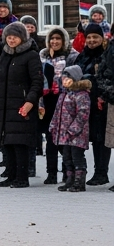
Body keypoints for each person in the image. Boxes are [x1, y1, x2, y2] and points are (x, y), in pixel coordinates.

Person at [0, 21, 43, 188]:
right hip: (3, 106)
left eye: (15, 37)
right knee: (7, 142)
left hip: (21, 105)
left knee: (20, 142)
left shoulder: (31, 56)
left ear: (22, 38)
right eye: (9, 37)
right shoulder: (4, 55)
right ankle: (11, 175)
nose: (11, 40)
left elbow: (37, 82)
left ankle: (22, 177)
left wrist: (30, 101)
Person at [67, 22, 109, 186]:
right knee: (85, 137)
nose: (91, 40)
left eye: (95, 37)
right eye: (89, 37)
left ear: (101, 38)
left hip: (100, 101)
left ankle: (101, 172)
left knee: (100, 139)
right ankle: (79, 172)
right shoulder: (82, 56)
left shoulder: (105, 55)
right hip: (82, 104)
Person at [49, 64, 91, 193]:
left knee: (77, 156)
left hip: (77, 134)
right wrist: (53, 125)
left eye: (67, 79)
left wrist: (74, 128)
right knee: (66, 157)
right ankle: (70, 179)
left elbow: (83, 113)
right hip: (64, 133)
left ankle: (79, 181)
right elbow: (57, 112)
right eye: (63, 79)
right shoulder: (63, 94)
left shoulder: (81, 95)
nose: (64, 81)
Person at [40, 26, 71, 185]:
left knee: (63, 138)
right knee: (50, 137)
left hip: (64, 100)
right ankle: (51, 173)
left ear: (64, 41)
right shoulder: (43, 56)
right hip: (47, 100)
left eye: (58, 38)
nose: (54, 41)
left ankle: (67, 171)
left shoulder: (71, 56)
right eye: (52, 38)